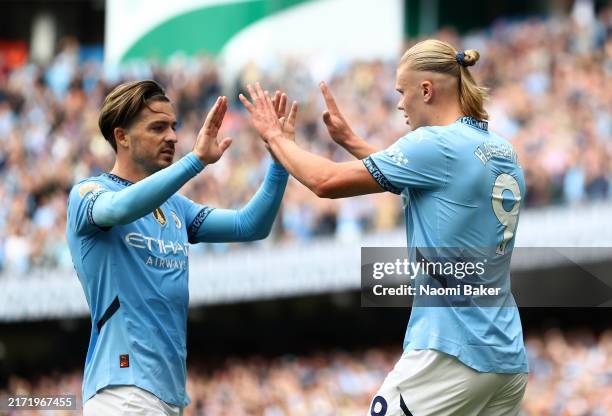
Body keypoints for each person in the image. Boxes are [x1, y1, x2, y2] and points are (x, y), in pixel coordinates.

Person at [240, 39, 528, 415]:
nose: (398, 103)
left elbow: (324, 182)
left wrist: (275, 138)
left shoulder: (435, 144)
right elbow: (431, 184)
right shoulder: (501, 150)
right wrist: (352, 142)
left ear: (426, 90)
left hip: (451, 351)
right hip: (506, 358)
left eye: (401, 92)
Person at [66, 80, 291, 415]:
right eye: (158, 127)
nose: (172, 136)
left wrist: (280, 158)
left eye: (173, 126)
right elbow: (119, 209)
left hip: (168, 398)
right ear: (121, 137)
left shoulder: (175, 208)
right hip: (122, 393)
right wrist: (195, 161)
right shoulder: (88, 194)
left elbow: (250, 225)